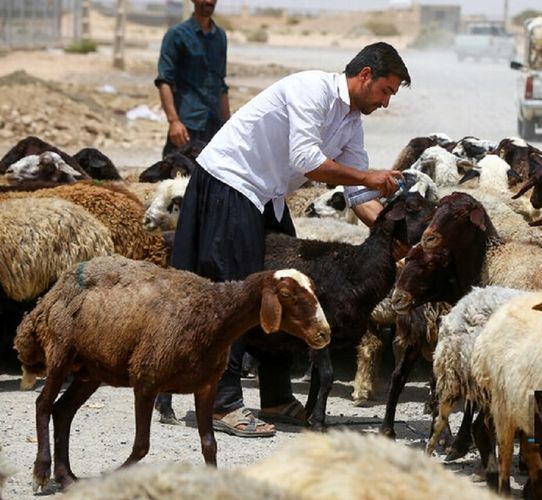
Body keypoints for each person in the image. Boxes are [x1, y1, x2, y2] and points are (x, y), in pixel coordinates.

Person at [155, 42, 410, 437]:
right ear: (365, 76)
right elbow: (307, 160)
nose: (387, 102)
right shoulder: (311, 90)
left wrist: (392, 237)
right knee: (237, 291)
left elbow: (360, 197)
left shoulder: (350, 123)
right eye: (386, 91)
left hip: (266, 194)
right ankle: (222, 403)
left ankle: (274, 396)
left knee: (287, 288)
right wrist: (367, 177)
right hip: (230, 180)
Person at [155, 0, 230, 158]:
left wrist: (227, 125)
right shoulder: (176, 35)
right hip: (186, 126)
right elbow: (164, 81)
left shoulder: (220, 37)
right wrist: (174, 121)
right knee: (177, 178)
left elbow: (221, 85)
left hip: (214, 125)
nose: (209, 1)